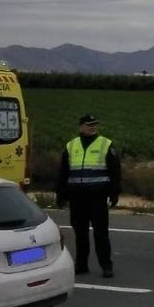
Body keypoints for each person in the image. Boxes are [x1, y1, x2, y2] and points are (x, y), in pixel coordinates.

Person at [57, 114, 121, 278]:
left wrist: (114, 193)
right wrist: (61, 194)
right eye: (89, 124)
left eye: (94, 124)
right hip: (77, 198)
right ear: (81, 127)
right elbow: (63, 172)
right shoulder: (71, 145)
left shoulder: (105, 144)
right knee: (80, 233)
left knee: (101, 234)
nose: (92, 127)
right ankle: (81, 264)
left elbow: (115, 171)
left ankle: (106, 266)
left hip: (97, 197)